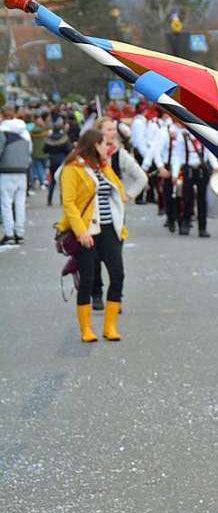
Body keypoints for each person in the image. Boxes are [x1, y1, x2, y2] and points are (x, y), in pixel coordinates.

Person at [57, 128, 127, 343]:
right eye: (105, 143)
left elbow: (120, 192)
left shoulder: (104, 167)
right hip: (86, 231)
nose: (109, 147)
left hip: (109, 230)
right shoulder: (72, 168)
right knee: (86, 280)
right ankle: (86, 329)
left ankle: (110, 326)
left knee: (118, 275)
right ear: (94, 145)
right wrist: (80, 231)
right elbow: (68, 203)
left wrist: (106, 164)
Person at [90, 117, 148, 309]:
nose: (112, 133)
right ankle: (96, 292)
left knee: (115, 259)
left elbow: (141, 178)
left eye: (114, 130)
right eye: (108, 130)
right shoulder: (86, 155)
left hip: (114, 215)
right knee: (92, 258)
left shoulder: (119, 154)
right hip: (90, 214)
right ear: (98, 132)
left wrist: (127, 195)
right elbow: (62, 175)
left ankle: (115, 297)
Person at [171, 127, 218, 237]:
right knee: (187, 198)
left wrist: (216, 166)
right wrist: (174, 173)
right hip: (189, 169)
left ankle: (202, 228)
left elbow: (210, 152)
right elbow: (177, 155)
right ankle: (185, 224)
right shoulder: (182, 135)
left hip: (202, 170)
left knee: (202, 200)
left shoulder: (204, 134)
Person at [0, 105, 33, 246]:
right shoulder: (25, 132)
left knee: (6, 203)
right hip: (22, 171)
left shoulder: (2, 132)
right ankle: (20, 233)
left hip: (6, 171)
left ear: (2, 116)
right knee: (20, 203)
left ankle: (9, 234)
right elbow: (29, 152)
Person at [44, 118, 72, 206]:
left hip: (52, 160)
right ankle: (62, 200)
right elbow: (69, 149)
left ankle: (49, 199)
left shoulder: (49, 138)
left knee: (52, 180)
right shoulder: (64, 138)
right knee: (62, 180)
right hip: (62, 160)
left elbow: (44, 150)